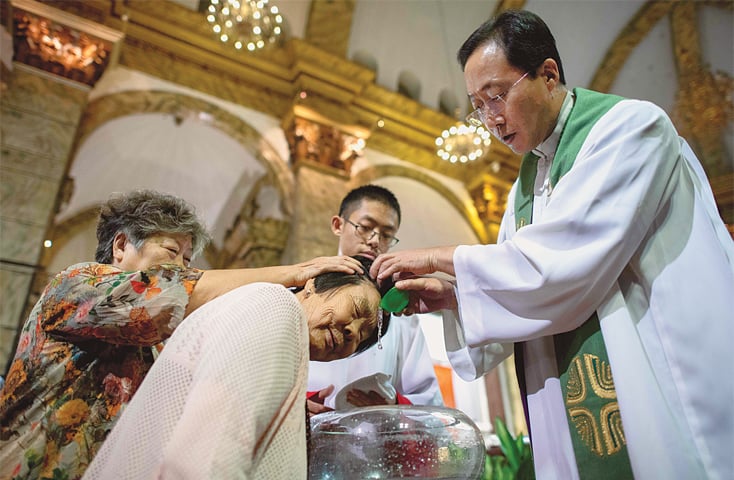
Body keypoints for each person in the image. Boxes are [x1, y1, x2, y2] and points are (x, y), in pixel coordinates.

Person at [371, 10, 734, 480]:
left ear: (548, 74)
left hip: (657, 380)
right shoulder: (523, 190)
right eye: (477, 106)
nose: (490, 120)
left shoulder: (631, 129)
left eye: (496, 96)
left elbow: (563, 267)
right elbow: (529, 287)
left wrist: (443, 257)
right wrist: (456, 299)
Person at [0, 189, 389, 480]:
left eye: (189, 261)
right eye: (172, 252)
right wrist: (293, 272)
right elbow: (159, 295)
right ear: (121, 246)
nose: (183, 269)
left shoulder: (164, 342)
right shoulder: (76, 284)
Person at [307, 185, 442, 413]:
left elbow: (427, 400)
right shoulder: (304, 290)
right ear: (338, 225)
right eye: (365, 227)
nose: (374, 240)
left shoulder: (400, 316)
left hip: (374, 439)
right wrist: (298, 405)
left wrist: (392, 405)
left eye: (387, 235)